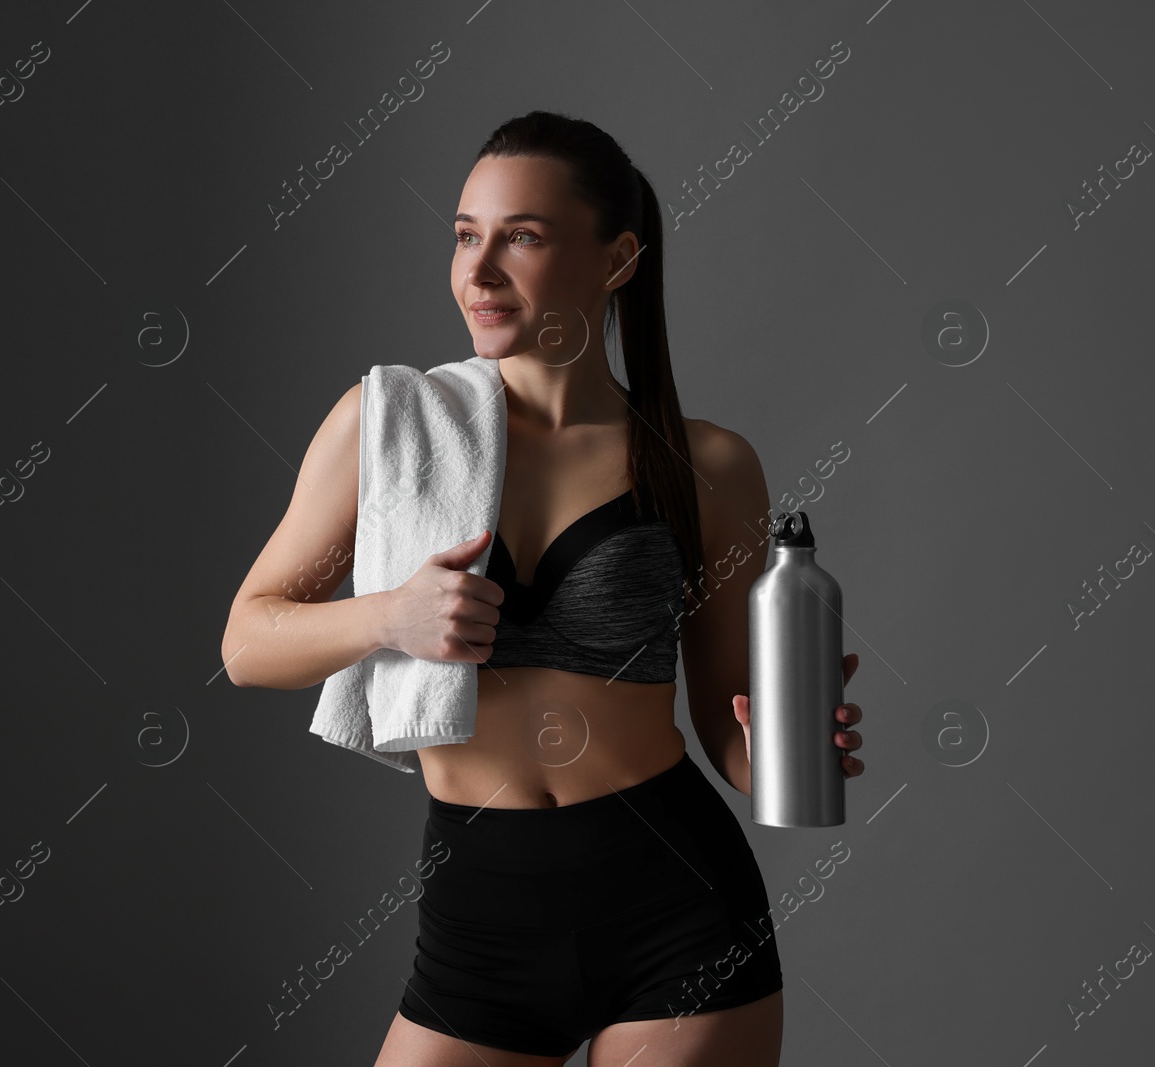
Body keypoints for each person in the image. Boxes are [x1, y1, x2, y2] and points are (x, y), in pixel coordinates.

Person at [221, 110, 867, 1067]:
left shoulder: (709, 465)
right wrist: (389, 616)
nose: (477, 271)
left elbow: (725, 725)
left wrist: (781, 748)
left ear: (616, 260)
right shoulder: (385, 426)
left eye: (520, 237)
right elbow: (247, 641)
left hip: (677, 905)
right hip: (481, 918)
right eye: (464, 236)